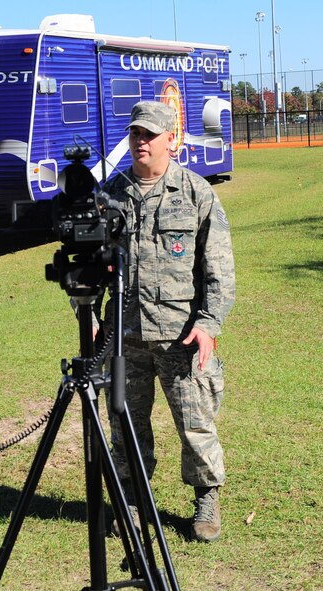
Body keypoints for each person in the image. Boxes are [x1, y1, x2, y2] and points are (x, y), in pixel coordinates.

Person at [101, 100, 235, 542]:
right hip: (125, 336)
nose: (140, 142)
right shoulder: (110, 194)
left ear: (171, 141)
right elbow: (89, 261)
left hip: (181, 337)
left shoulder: (196, 193)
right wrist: (94, 319)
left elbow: (219, 268)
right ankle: (133, 501)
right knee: (125, 427)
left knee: (195, 423)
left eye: (149, 135)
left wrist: (209, 324)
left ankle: (205, 501)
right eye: (135, 134)